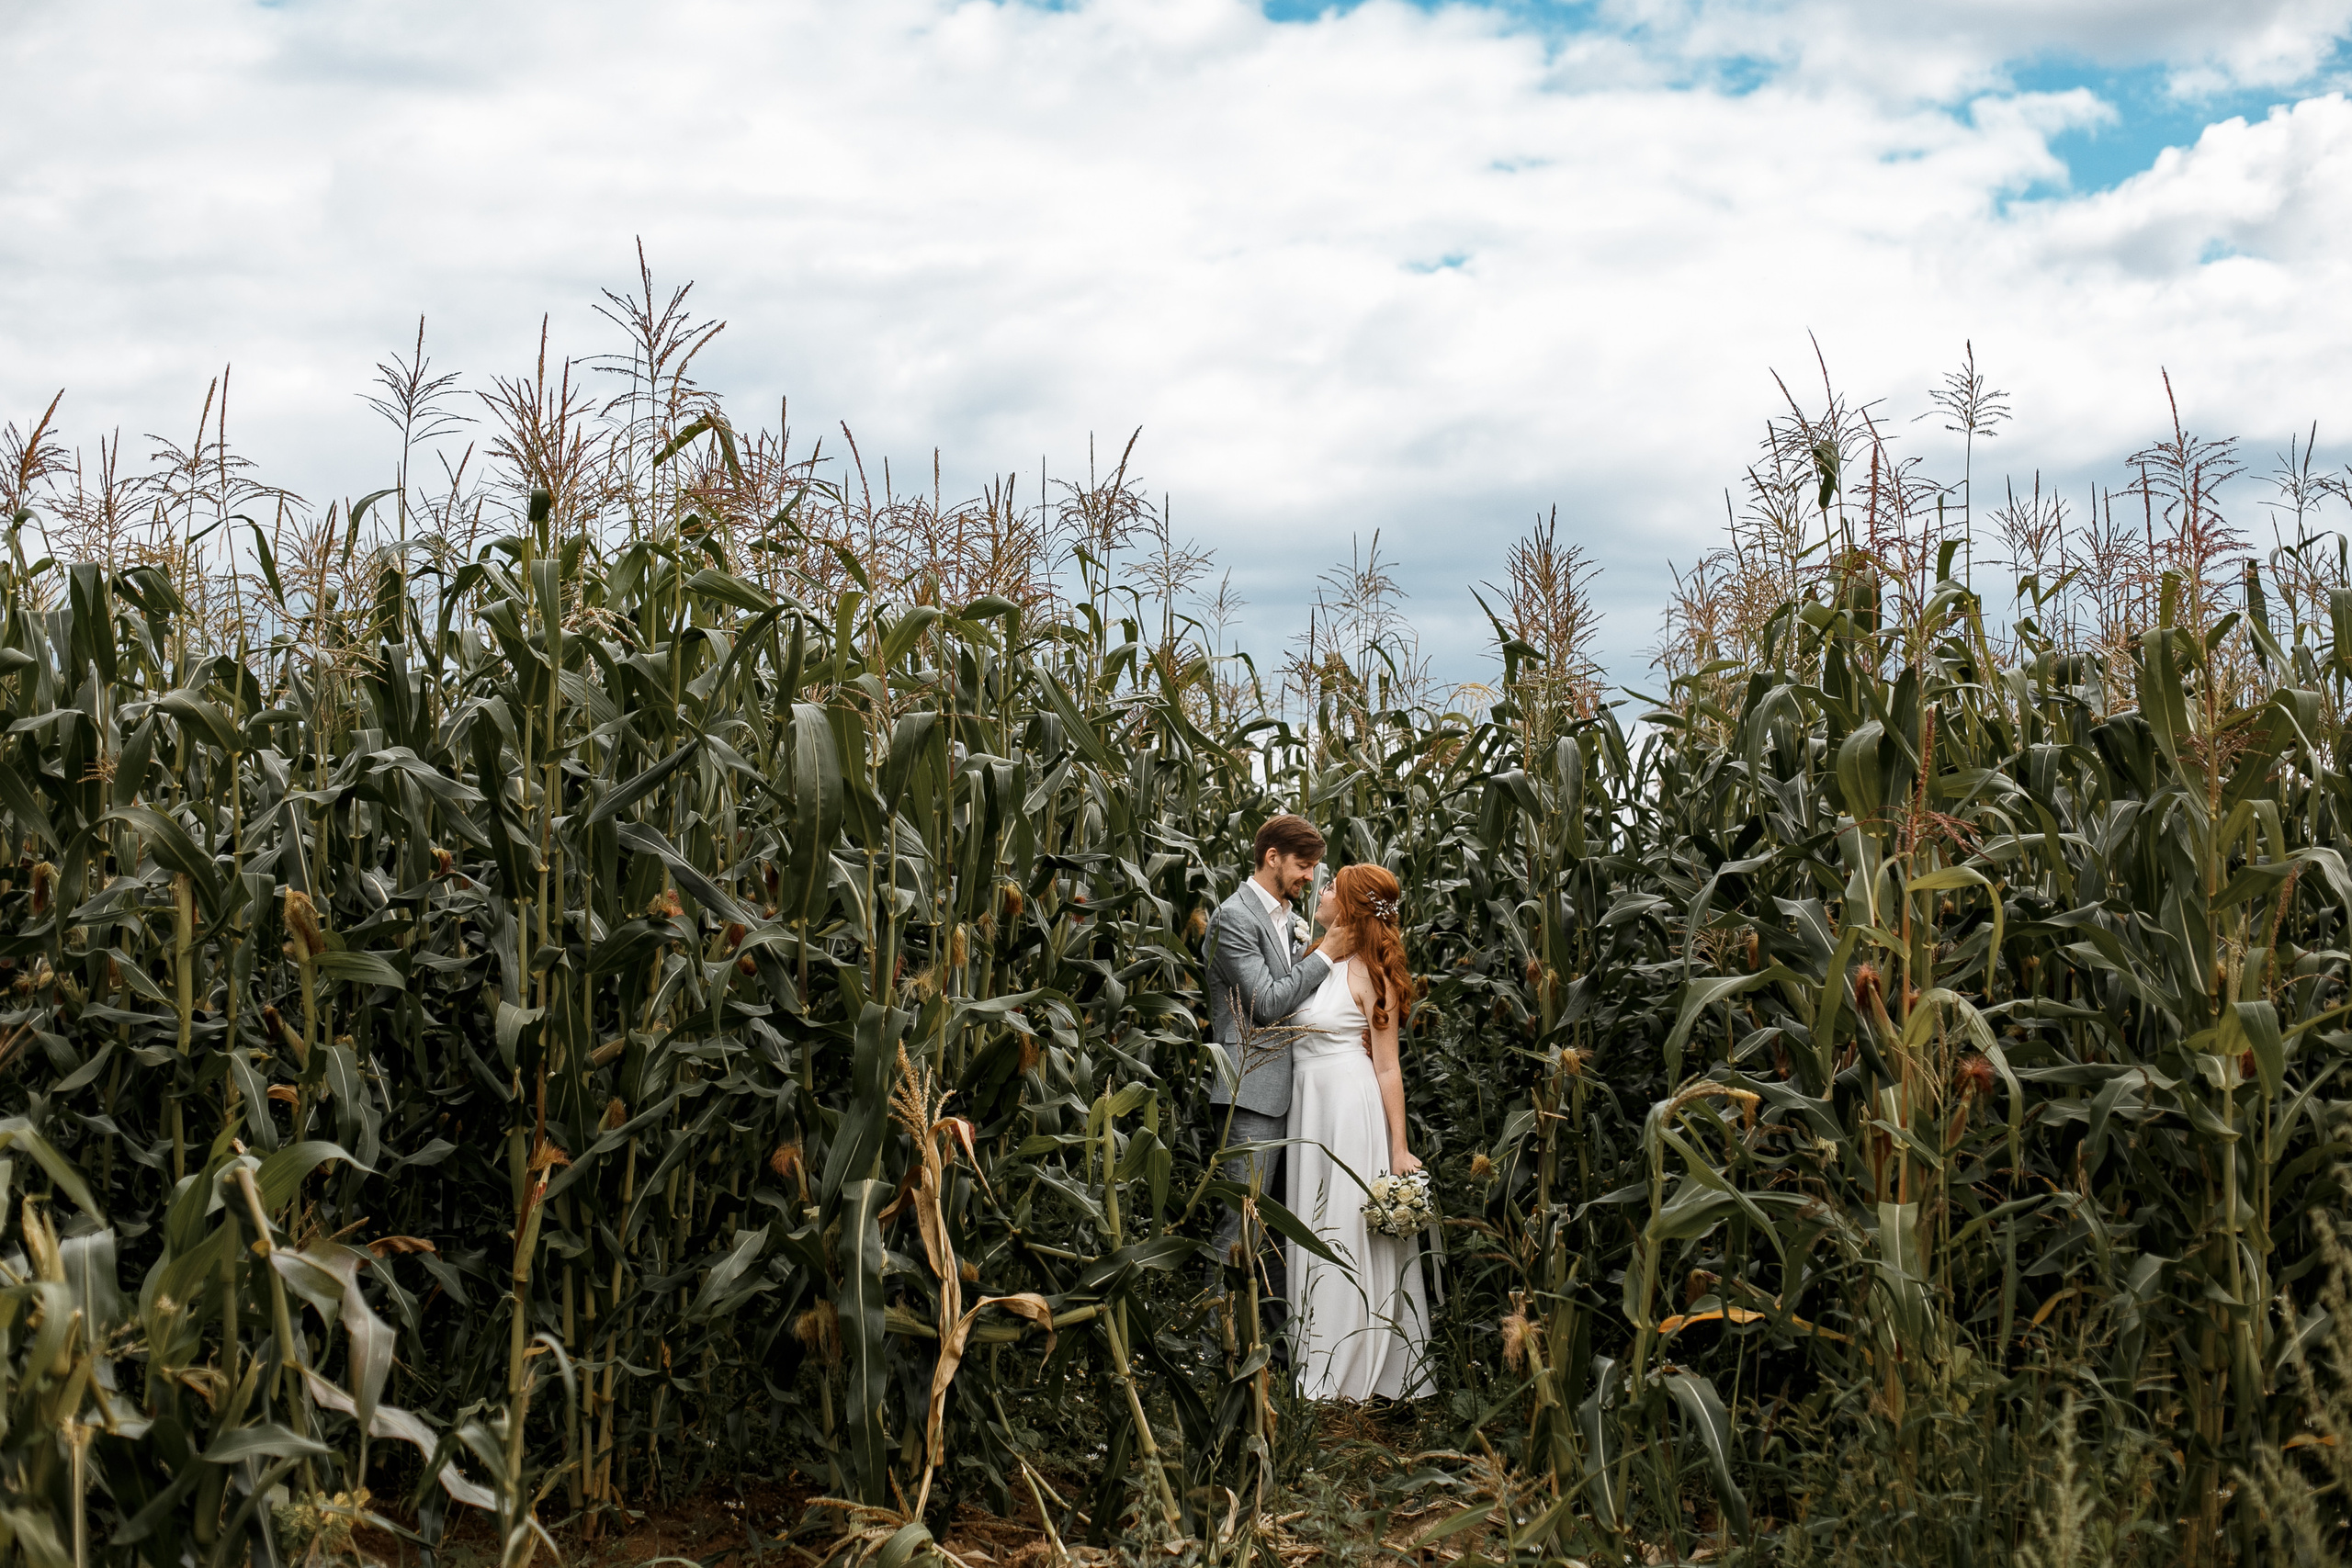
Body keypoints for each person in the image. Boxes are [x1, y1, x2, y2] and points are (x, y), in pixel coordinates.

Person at [1203, 814, 1356, 1356]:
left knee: (1271, 1239)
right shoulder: (1232, 919)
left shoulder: (1284, 916)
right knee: (1237, 1231)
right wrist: (1325, 952)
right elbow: (1266, 1005)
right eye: (1303, 865)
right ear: (1272, 857)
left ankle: (1272, 1356)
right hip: (1248, 1095)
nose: (1311, 877)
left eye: (1314, 867)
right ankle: (1210, 1357)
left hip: (1290, 1098)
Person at [1284, 862, 1432, 1404]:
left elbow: (1389, 1066)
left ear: (1347, 908)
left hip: (1348, 1109)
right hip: (1308, 1107)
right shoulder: (1312, 960)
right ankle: (1313, 1357)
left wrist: (1398, 1146)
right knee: (1310, 1225)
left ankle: (1344, 1376)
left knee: (1341, 1231)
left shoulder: (1373, 974)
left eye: (1330, 887)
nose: (1320, 891)